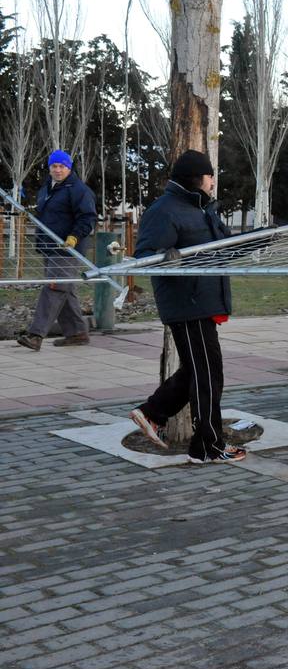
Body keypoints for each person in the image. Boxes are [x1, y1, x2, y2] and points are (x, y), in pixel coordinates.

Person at [126, 150, 246, 464]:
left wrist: (262, 239)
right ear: (196, 177)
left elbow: (224, 248)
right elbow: (145, 255)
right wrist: (168, 257)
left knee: (199, 371)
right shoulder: (165, 211)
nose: (213, 181)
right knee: (208, 375)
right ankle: (209, 445)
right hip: (187, 304)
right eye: (210, 175)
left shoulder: (202, 209)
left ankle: (152, 413)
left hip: (203, 301)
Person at [17, 150, 97, 351]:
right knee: (65, 290)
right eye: (54, 166)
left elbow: (88, 218)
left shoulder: (78, 190)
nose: (58, 170)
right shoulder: (47, 188)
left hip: (67, 249)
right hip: (49, 246)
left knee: (54, 288)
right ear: (49, 167)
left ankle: (36, 335)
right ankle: (77, 333)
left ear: (69, 168)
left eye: (62, 166)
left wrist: (74, 237)